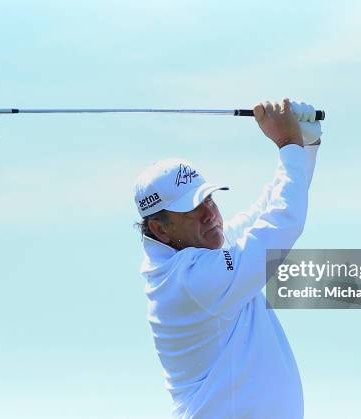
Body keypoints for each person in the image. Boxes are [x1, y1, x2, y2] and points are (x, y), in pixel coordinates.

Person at [133, 98, 321, 418]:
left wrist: (305, 144)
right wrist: (288, 143)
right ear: (160, 229)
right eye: (191, 209)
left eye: (207, 198)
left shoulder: (210, 253)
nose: (210, 214)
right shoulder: (194, 279)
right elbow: (282, 224)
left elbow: (268, 210)